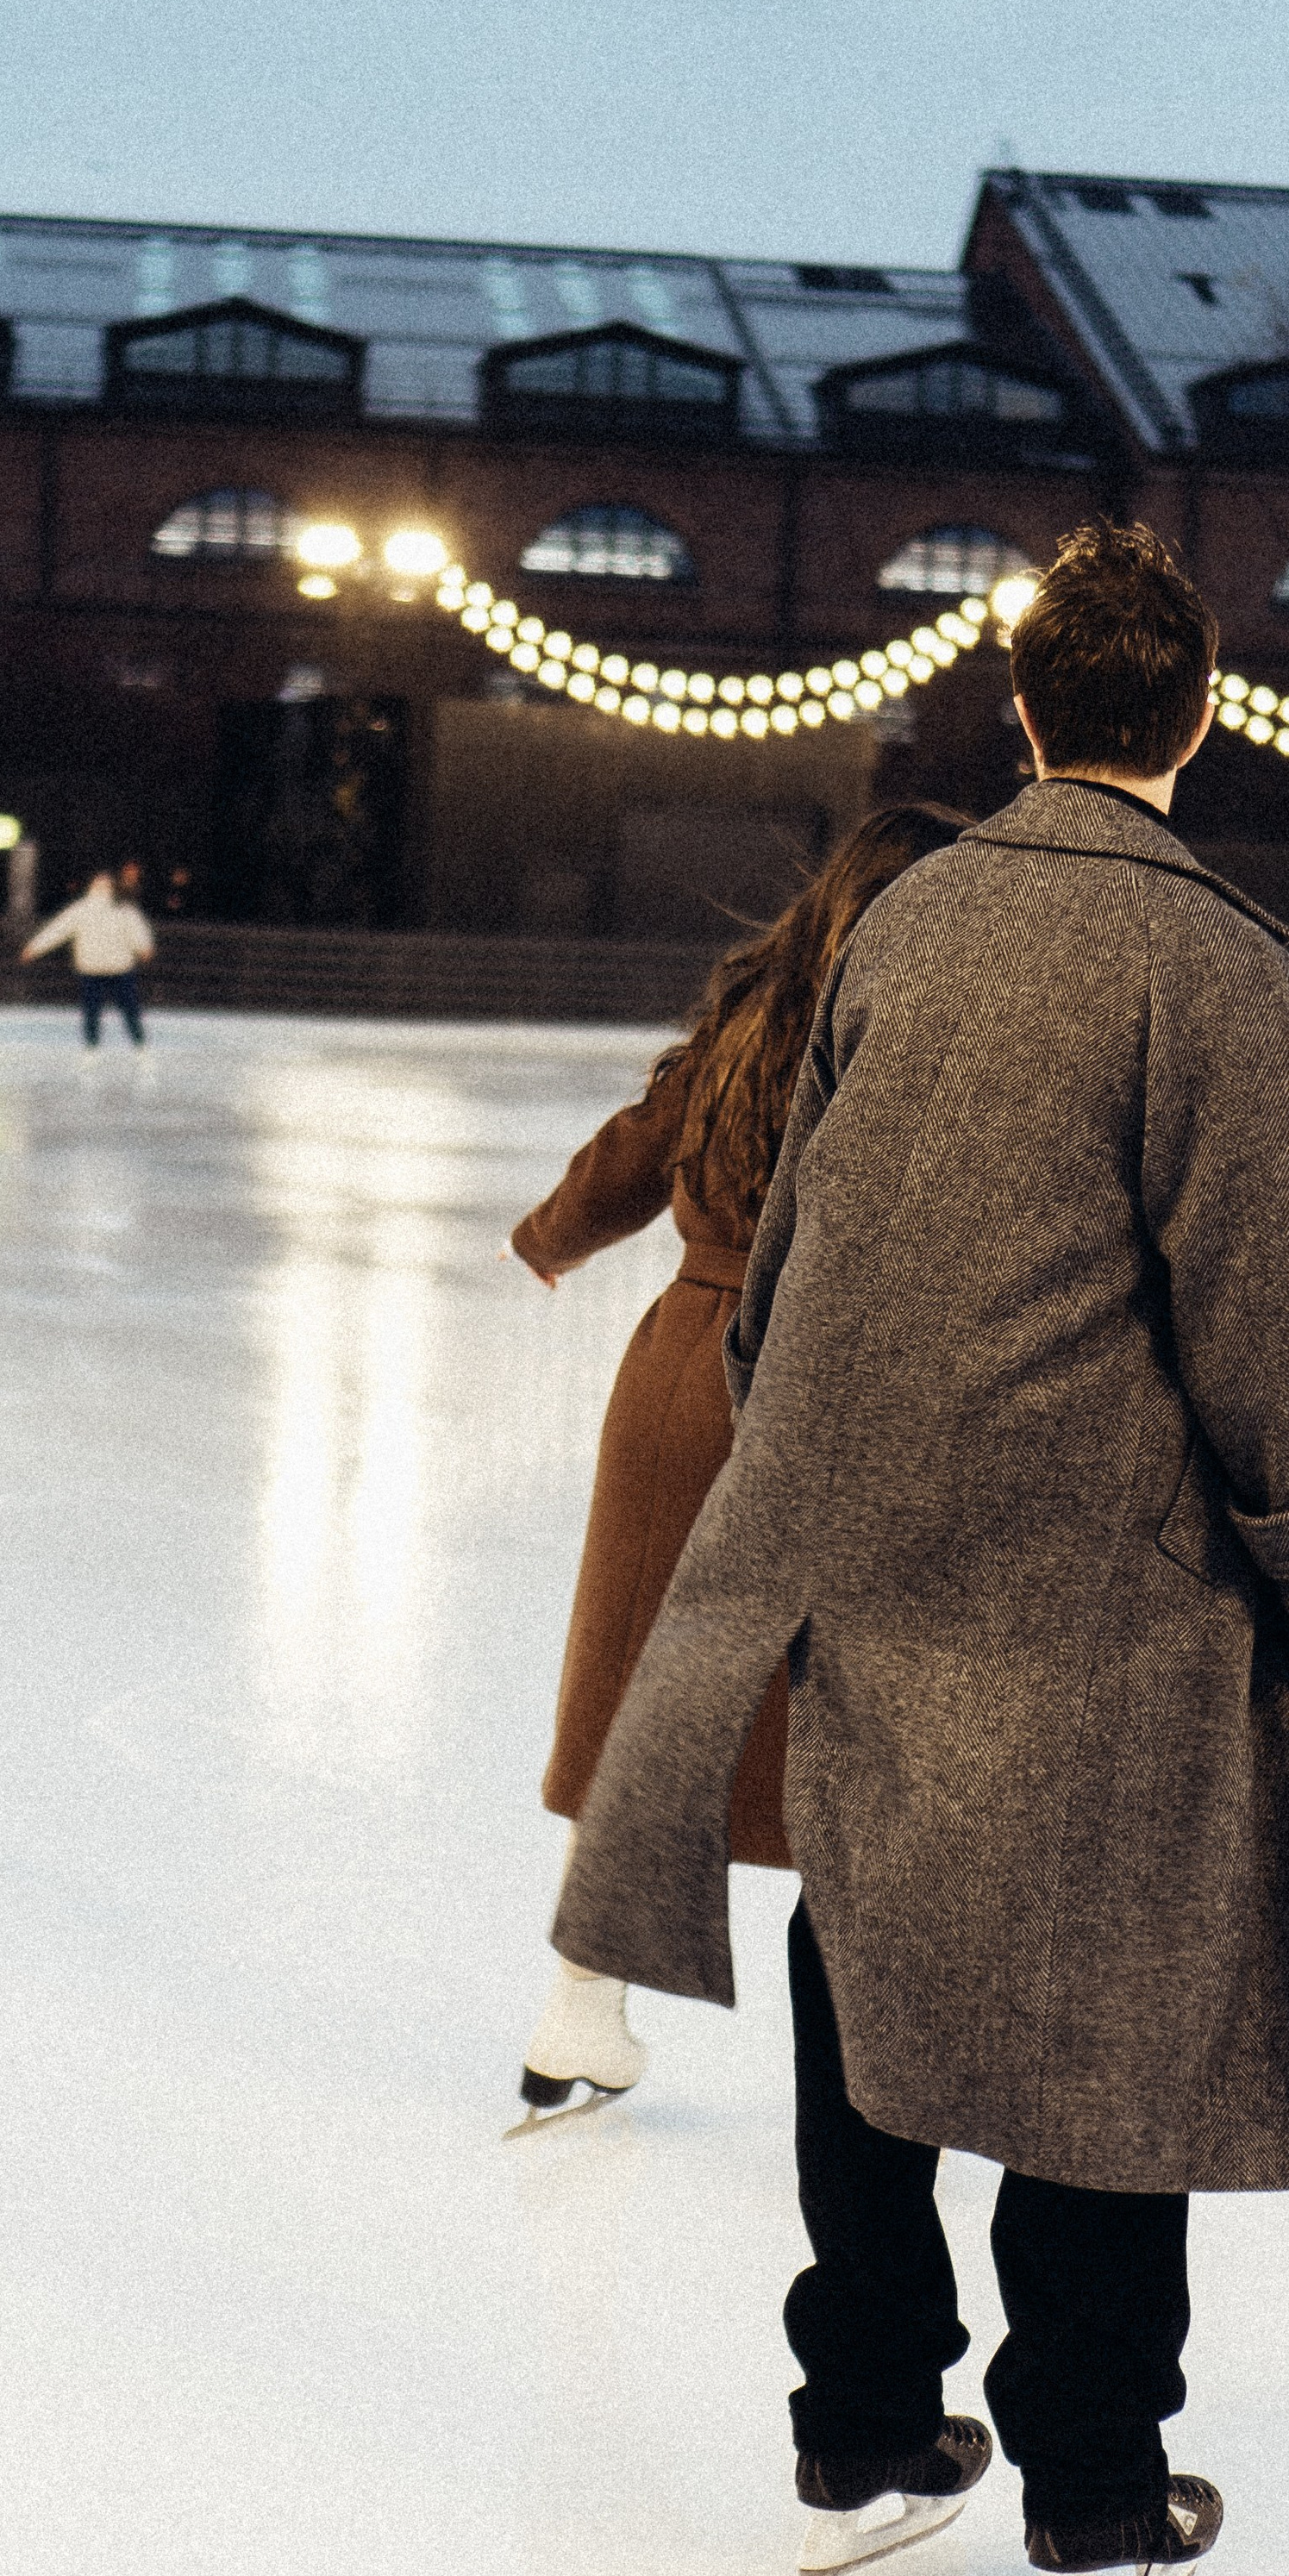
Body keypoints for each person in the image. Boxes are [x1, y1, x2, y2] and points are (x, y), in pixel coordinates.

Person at [552, 520, 1289, 2576]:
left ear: (1022, 713)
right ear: (1194, 719)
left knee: (869, 1998)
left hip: (877, 1568)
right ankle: (1096, 2496)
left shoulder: (906, 927)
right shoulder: (1218, 961)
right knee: (1100, 2038)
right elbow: (1266, 1316)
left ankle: (858, 2438)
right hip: (1102, 1597)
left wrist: (808, 1475)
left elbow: (794, 1262)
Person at [506, 803, 968, 2131]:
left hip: (678, 1383)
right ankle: (892, 2068)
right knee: (871, 1727)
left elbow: (634, 1153)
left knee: (649, 1712)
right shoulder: (932, 1031)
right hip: (834, 1386)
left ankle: (575, 2015)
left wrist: (548, 1236)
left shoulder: (752, 1014)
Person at [21, 869, 155, 1043]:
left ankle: (95, 1043)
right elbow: (138, 931)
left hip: (95, 967)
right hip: (115, 967)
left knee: (94, 1010)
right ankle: (137, 1041)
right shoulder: (122, 909)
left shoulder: (84, 909)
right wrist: (145, 948)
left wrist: (34, 948)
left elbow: (57, 930)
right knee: (127, 1008)